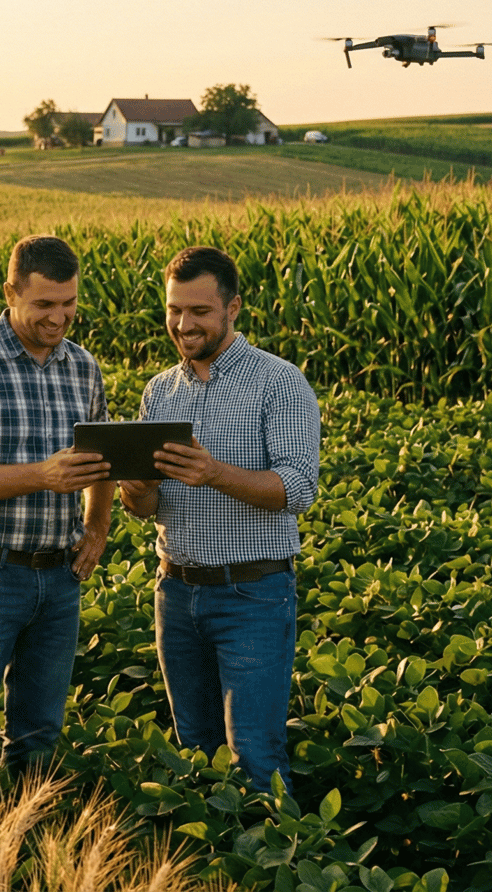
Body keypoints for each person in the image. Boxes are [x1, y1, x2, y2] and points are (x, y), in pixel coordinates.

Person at [119, 246, 321, 793]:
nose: (183, 325)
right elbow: (147, 508)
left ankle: (274, 845)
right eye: (174, 310)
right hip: (175, 591)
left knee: (255, 754)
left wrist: (214, 473)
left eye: (199, 311)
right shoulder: (160, 390)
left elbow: (298, 489)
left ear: (233, 309)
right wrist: (138, 491)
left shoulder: (278, 382)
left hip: (252, 595)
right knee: (195, 751)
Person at [0, 234, 113, 768]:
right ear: (10, 293)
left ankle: (26, 817)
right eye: (44, 303)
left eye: (69, 303)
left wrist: (97, 526)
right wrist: (42, 475)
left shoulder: (82, 366)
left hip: (59, 577)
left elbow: (104, 454)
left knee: (40, 734)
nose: (59, 317)